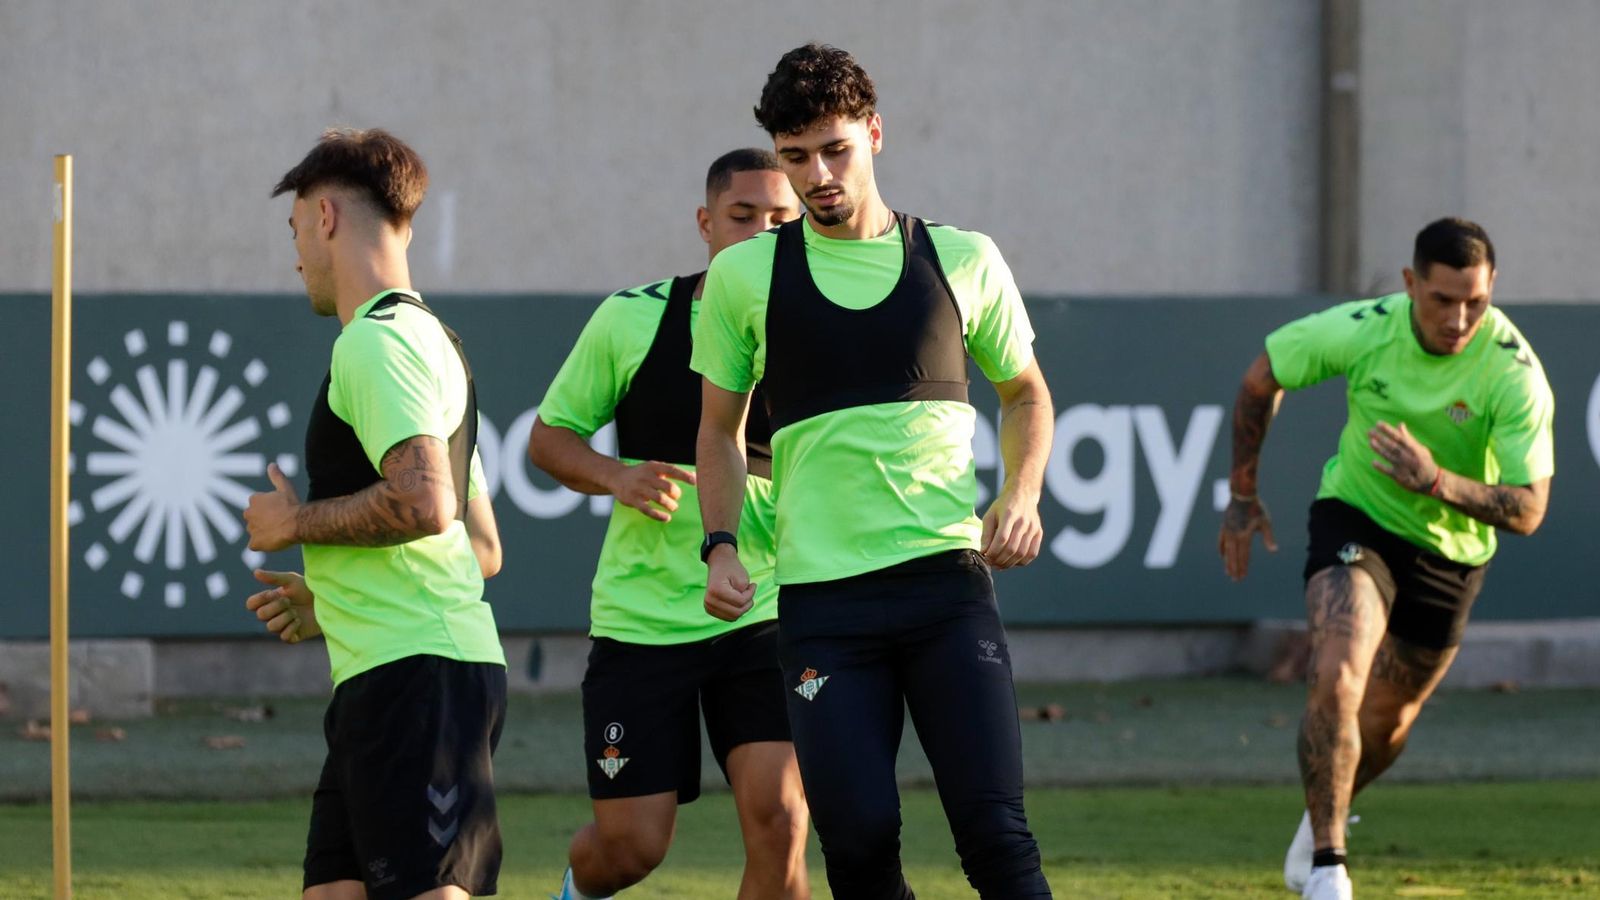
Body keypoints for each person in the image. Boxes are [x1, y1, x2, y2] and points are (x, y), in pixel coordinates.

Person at [692, 44, 1055, 900]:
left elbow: (1028, 394)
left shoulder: (961, 257)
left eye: (834, 149)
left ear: (875, 134)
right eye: (794, 157)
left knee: (996, 837)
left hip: (945, 589)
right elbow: (717, 431)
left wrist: (1022, 491)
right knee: (857, 847)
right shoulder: (742, 276)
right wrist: (719, 544)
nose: (816, 175)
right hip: (823, 609)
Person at [1219, 218, 1555, 900]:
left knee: (1388, 722)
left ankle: (1322, 814)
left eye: (1476, 302)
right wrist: (1242, 496)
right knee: (1340, 672)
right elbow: (1262, 377)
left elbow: (1528, 509)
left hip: (1451, 551)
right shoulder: (1368, 327)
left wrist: (1436, 481)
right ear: (1410, 286)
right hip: (1359, 518)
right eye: (1442, 300)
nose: (1460, 318)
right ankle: (1328, 865)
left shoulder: (1513, 372)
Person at [526, 148, 809, 900]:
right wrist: (617, 476)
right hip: (642, 623)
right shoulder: (631, 317)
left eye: (781, 219)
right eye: (743, 216)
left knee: (782, 819)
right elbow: (548, 439)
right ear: (706, 222)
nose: (761, 232)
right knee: (630, 849)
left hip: (768, 610)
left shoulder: (819, 332)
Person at [243, 127, 509, 900]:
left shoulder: (376, 345)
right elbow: (481, 545)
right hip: (391, 673)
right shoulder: (435, 344)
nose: (296, 255)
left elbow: (425, 503)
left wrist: (294, 526)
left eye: (294, 229)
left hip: (416, 679)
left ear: (325, 217)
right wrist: (333, 596)